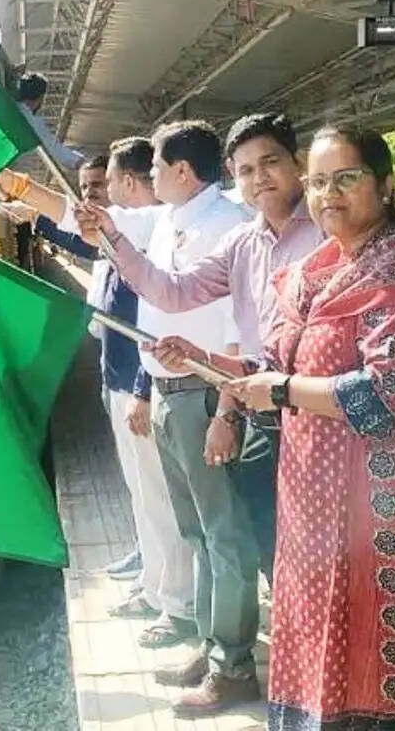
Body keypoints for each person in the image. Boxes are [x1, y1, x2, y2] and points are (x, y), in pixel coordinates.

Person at [156, 124, 395, 730]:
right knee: (336, 639)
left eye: (346, 178)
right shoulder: (319, 270)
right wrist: (209, 365)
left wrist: (276, 391)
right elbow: (281, 366)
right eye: (320, 181)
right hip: (320, 506)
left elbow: (384, 394)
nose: (329, 193)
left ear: (383, 185)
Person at [0, 121, 261, 717]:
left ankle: (235, 662)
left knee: (224, 535)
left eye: (158, 171)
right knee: (195, 529)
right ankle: (208, 642)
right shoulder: (167, 218)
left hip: (208, 390)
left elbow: (239, 329)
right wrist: (12, 184)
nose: (148, 181)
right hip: (168, 387)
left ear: (182, 174)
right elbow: (74, 214)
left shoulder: (228, 226)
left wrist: (228, 407)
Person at [79, 113, 325, 585]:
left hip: (325, 418)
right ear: (233, 173)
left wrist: (222, 412)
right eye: (246, 170)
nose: (259, 178)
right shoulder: (242, 243)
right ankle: (279, 649)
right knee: (273, 541)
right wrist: (111, 237)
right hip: (267, 417)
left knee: (328, 547)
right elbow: (173, 292)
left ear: (297, 164)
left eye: (270, 163)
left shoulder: (325, 233)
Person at [0, 142, 199, 644]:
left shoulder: (151, 228)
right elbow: (75, 231)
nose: (102, 195)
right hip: (119, 380)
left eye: (107, 183)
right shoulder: (122, 235)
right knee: (141, 495)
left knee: (160, 498)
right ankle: (155, 589)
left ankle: (180, 606)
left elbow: (161, 321)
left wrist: (142, 390)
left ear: (131, 183)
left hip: (140, 383)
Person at [15, 71, 84, 171]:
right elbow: (55, 149)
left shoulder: (7, 105)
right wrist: (84, 164)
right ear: (40, 97)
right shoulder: (31, 120)